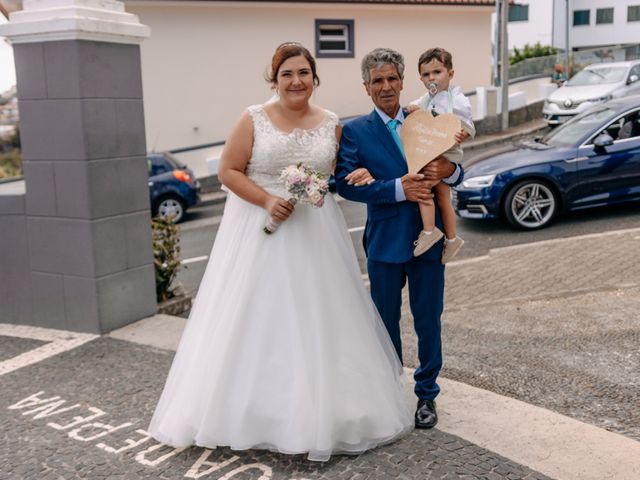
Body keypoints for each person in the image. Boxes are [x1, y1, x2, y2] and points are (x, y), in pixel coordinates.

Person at [148, 43, 413, 462]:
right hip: (258, 230)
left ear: (314, 78)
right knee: (255, 318)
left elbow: (337, 177)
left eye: (304, 72)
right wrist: (267, 201)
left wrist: (356, 175)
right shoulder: (253, 118)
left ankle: (323, 411)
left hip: (315, 232)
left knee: (320, 318)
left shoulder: (331, 124)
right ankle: (247, 412)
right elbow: (228, 171)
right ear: (275, 79)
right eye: (288, 73)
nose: (296, 81)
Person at [335, 48, 464, 429]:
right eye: (378, 81)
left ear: (403, 82)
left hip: (430, 240)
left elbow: (457, 171)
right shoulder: (355, 132)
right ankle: (388, 390)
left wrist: (451, 168)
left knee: (428, 321)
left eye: (392, 79)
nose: (386, 87)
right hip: (385, 244)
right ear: (366, 87)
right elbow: (345, 184)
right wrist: (395, 188)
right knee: (384, 323)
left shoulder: (425, 117)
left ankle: (427, 394)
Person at [408, 47, 475, 262]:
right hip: (432, 151)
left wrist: (463, 133)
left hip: (448, 154)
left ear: (450, 74)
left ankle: (430, 231)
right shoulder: (428, 98)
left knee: (423, 187)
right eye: (426, 75)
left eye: (437, 72)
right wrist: (412, 108)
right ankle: (453, 239)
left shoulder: (457, 100)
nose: (432, 78)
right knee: (444, 198)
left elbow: (470, 126)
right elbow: (416, 107)